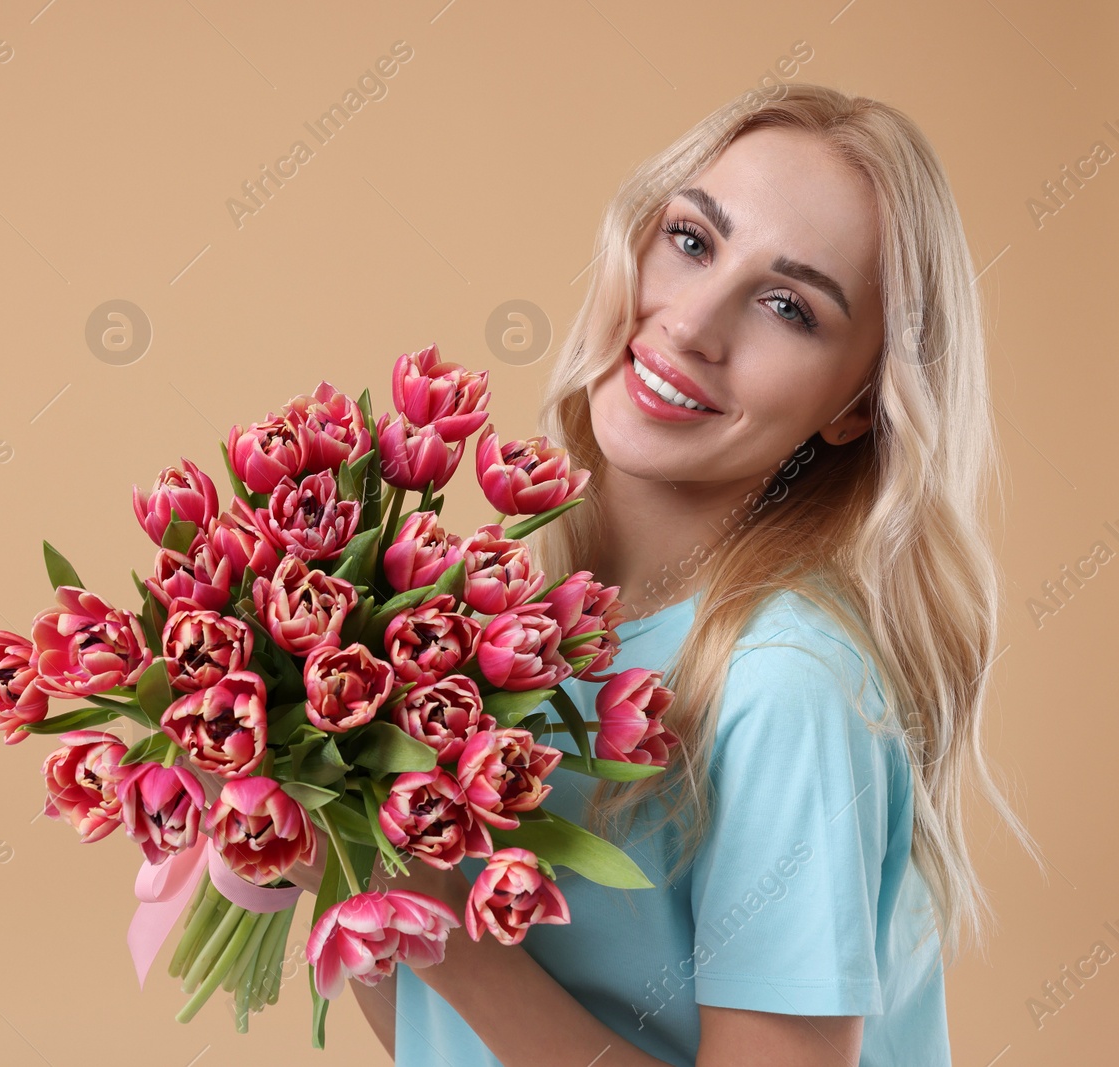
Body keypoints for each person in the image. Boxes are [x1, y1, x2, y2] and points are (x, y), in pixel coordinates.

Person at [284, 82, 1037, 1065]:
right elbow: (450, 1041)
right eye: (691, 240)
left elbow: (462, 968)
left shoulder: (785, 684)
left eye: (787, 306)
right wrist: (327, 841)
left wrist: (439, 918)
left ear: (854, 405)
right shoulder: (512, 638)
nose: (691, 322)